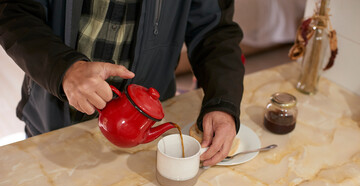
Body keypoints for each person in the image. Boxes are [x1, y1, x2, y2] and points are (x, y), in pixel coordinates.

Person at [0, 0, 244, 166]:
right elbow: (13, 11)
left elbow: (214, 31)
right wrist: (64, 68)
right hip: (53, 120)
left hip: (142, 134)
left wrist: (223, 102)